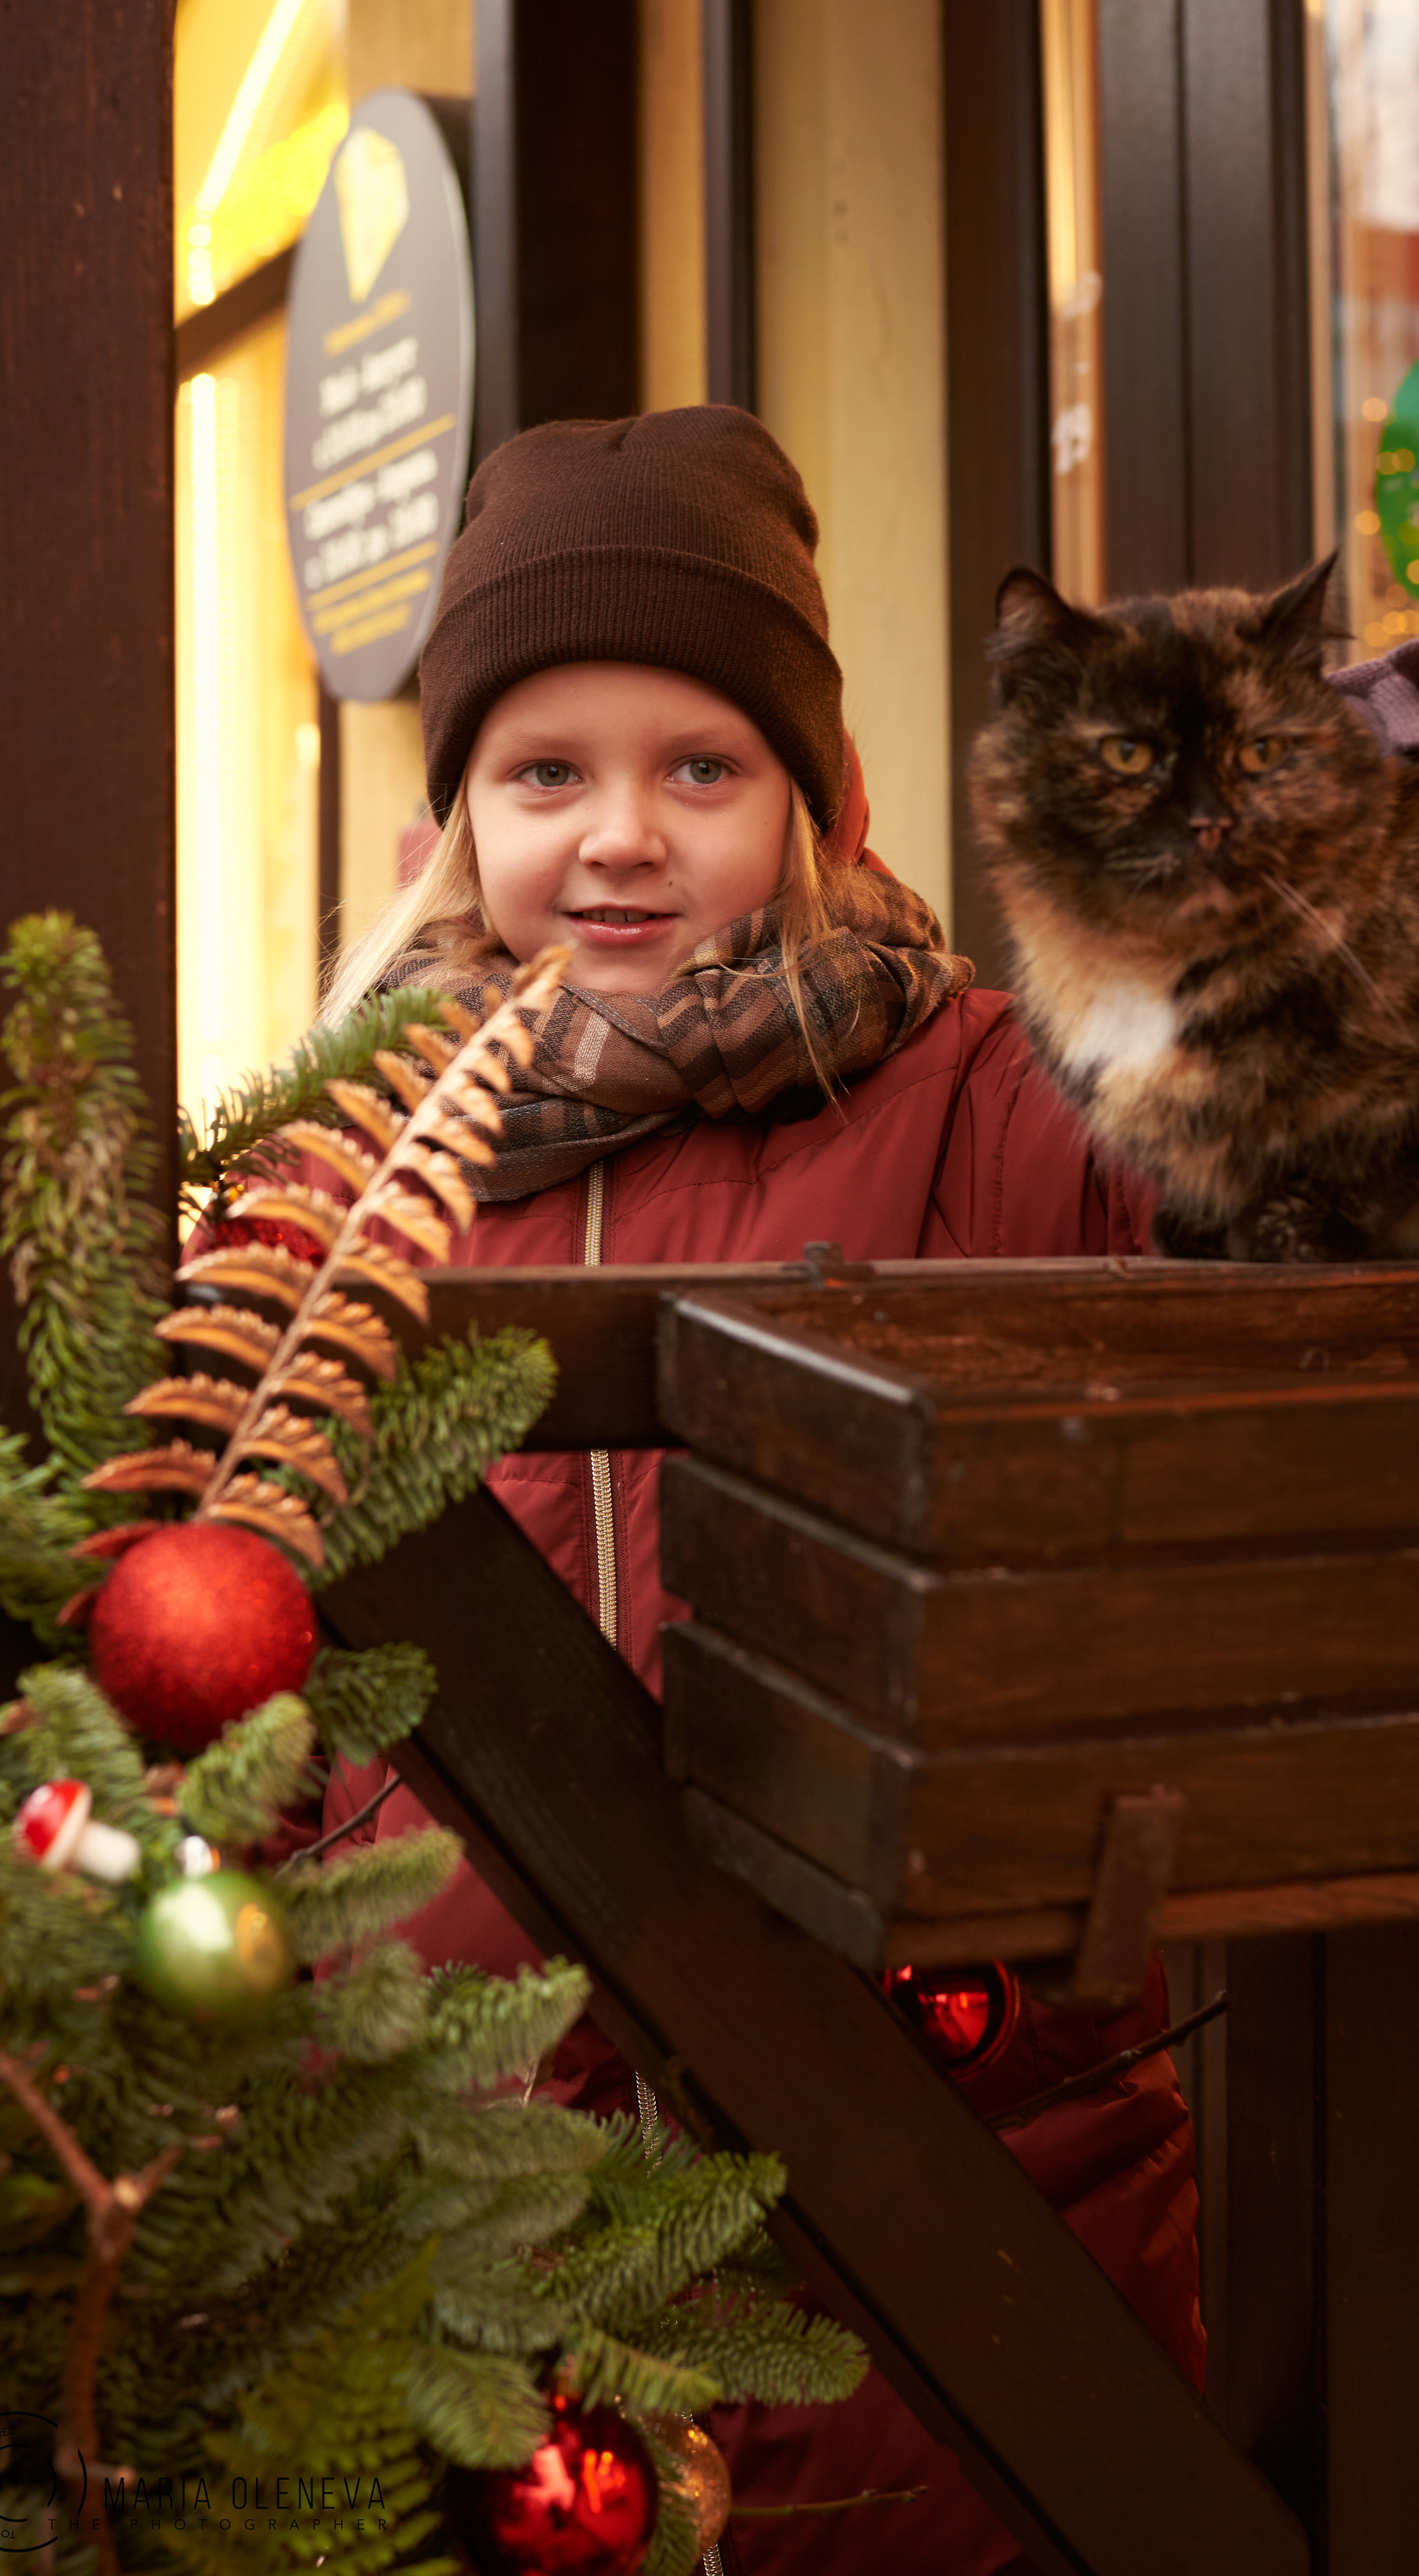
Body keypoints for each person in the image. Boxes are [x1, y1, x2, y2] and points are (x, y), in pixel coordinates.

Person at [311, 407, 1203, 2573]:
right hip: (467, 2198)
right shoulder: (350, 1172)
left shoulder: (992, 1096)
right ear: (460, 818)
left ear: (821, 793)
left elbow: (1249, 1209)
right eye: (548, 772)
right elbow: (256, 1618)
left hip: (967, 2177)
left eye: (699, 766)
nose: (621, 836)